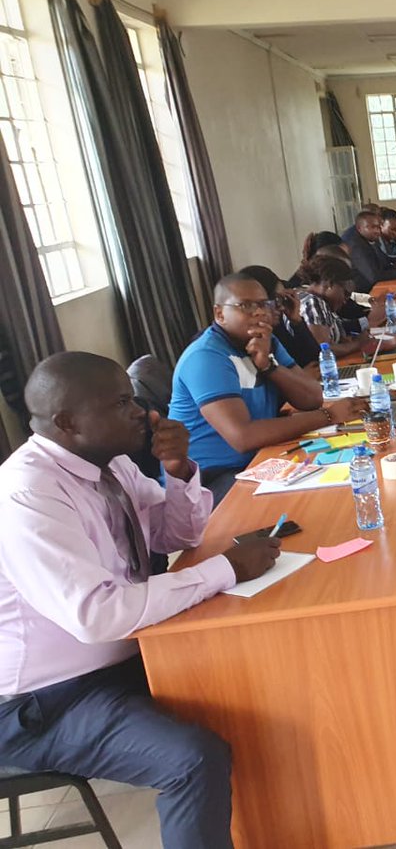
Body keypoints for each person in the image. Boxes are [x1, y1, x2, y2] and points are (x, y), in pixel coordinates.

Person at [0, 351, 283, 849]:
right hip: (46, 701)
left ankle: (301, 818)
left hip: (124, 653)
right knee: (190, 759)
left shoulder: (111, 466)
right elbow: (99, 614)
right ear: (67, 422)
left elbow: (176, 534)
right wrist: (227, 568)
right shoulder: (29, 494)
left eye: (132, 399)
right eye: (120, 403)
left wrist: (177, 469)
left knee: (255, 668)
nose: (141, 412)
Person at [169, 273, 366, 503]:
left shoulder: (266, 341)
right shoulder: (206, 357)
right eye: (245, 305)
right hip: (209, 480)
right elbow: (243, 437)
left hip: (259, 460)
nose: (259, 312)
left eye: (263, 304)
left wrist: (269, 366)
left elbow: (312, 398)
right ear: (219, 313)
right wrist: (329, 416)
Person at [295, 255, 381, 359]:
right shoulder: (313, 303)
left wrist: (347, 339)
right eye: (345, 293)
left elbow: (336, 332)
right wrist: (358, 343)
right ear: (330, 284)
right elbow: (324, 350)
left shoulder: (319, 301)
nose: (345, 301)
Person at [239, 265, 321, 370]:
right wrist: (301, 378)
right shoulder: (248, 338)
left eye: (283, 299)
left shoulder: (276, 327)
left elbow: (314, 361)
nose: (282, 307)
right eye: (277, 299)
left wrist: (297, 322)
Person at [342, 210, 396, 292]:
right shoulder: (355, 246)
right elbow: (374, 277)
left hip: (376, 286)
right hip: (365, 292)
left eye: (378, 227)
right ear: (359, 228)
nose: (377, 231)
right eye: (372, 227)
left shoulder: (370, 239)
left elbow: (384, 262)